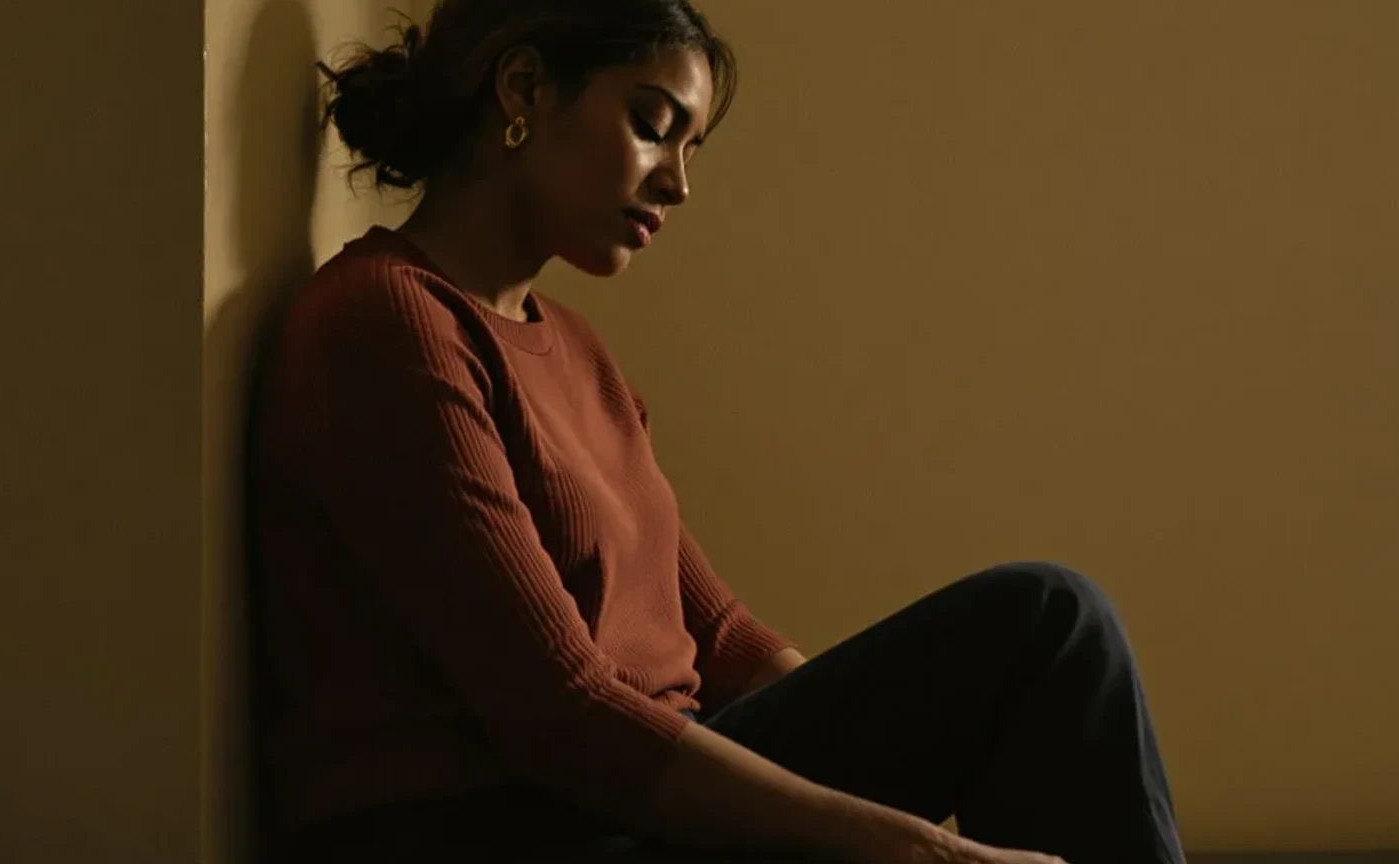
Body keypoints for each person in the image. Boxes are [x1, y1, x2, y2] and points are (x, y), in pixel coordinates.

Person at [248, 1, 1186, 862]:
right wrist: (916, 849)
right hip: (515, 828)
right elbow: (560, 714)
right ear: (524, 88)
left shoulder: (577, 351)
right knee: (1046, 618)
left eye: (690, 146)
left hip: (630, 798)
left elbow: (723, 637)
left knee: (1045, 643)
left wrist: (878, 763)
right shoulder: (384, 323)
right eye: (652, 124)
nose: (679, 184)